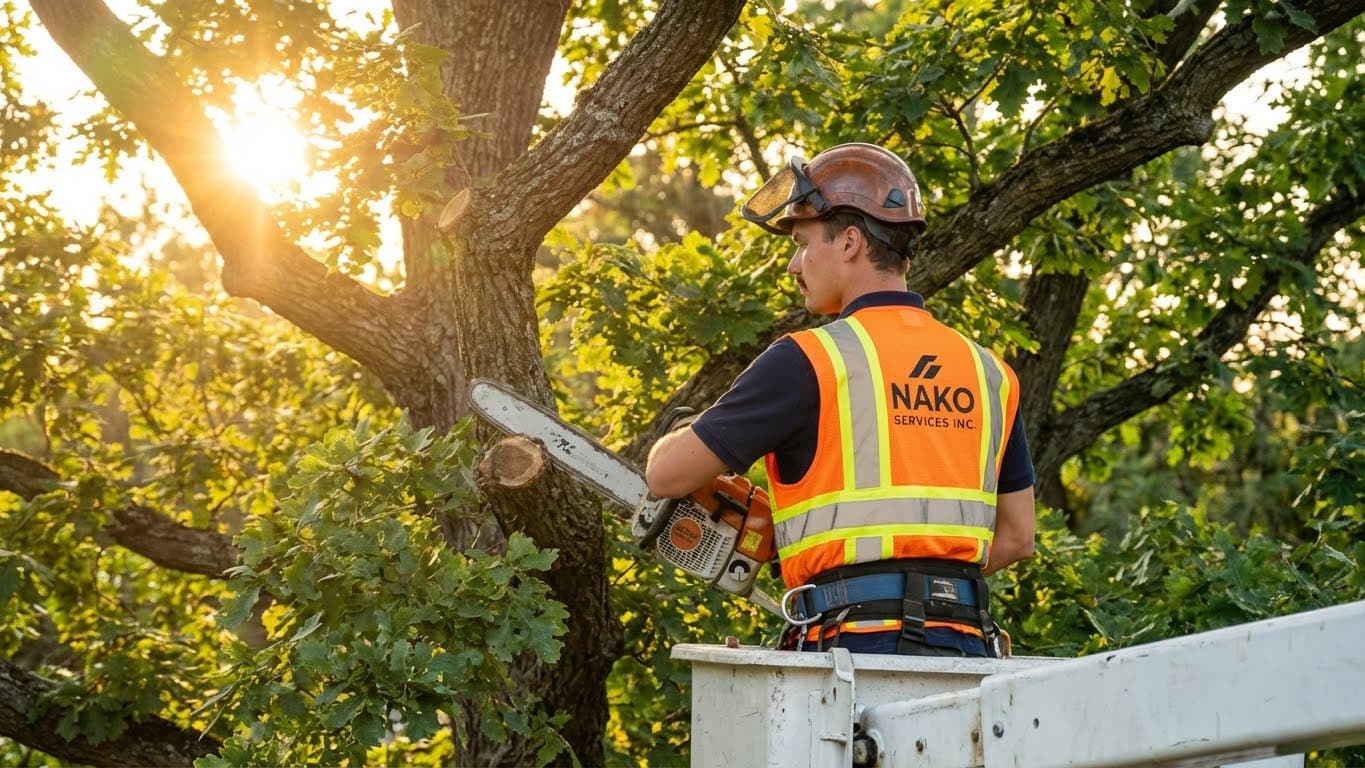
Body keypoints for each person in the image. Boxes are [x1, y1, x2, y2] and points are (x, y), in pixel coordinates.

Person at [644, 143, 1036, 657]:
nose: (793, 265)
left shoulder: (808, 361)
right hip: (965, 643)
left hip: (852, 647)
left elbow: (666, 475)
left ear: (849, 241)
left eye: (803, 243)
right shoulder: (990, 373)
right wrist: (911, 574)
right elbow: (1016, 539)